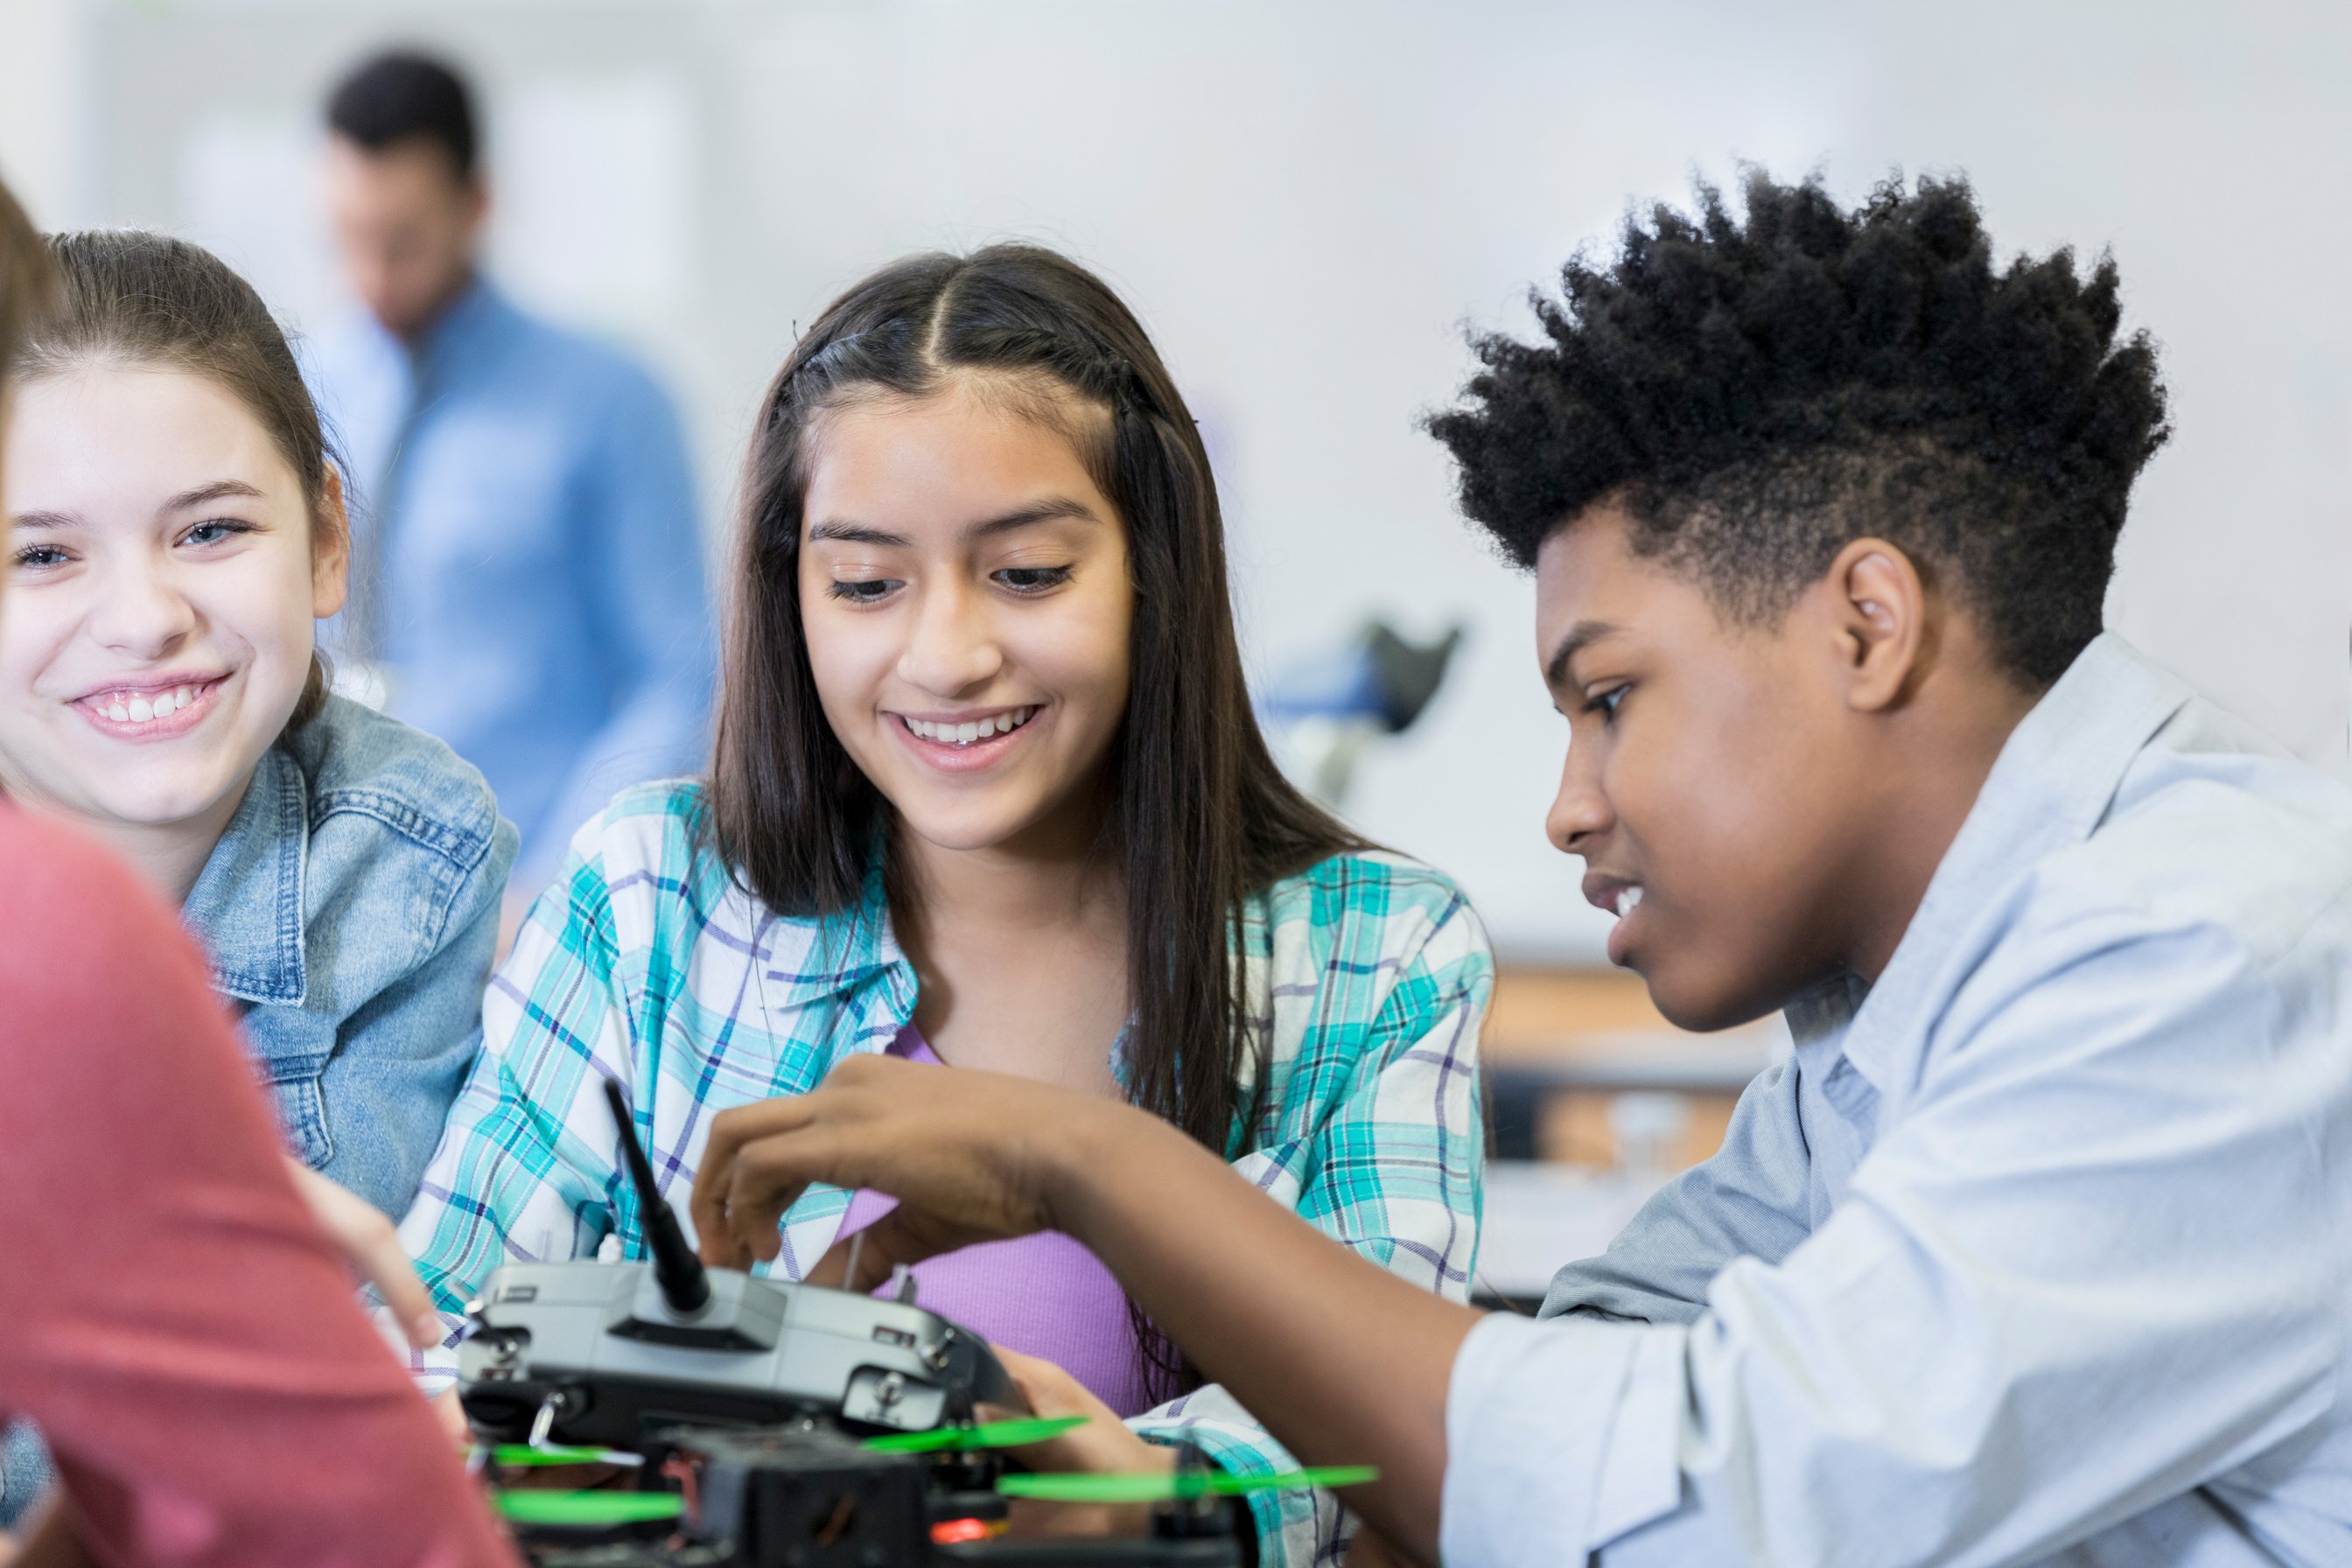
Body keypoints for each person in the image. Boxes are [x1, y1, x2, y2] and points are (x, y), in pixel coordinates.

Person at [682, 174, 2352, 1567]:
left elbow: (1697, 1502)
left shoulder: (2209, 944)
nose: (1565, 808)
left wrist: (1076, 1155)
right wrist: (1164, 1501)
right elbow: (1583, 1374)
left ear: (1866, 621)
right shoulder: (1886, 1031)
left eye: (1608, 699)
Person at [396, 244, 1492, 1567]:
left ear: (1156, 575)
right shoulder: (648, 895)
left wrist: (1156, 1494)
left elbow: (1397, 1450)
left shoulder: (1376, 953)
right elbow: (428, 1357)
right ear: (787, 588)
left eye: (1028, 574)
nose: (946, 657)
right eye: (865, 584)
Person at [0, 176, 518, 1568]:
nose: (147, 618)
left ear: (327, 539)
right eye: (42, 553)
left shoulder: (406, 851)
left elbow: (329, 1390)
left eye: (212, 531)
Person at [308, 48, 712, 898]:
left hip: (534, 885)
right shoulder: (301, 392)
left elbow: (678, 674)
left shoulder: (609, 400)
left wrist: (557, 887)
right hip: (339, 891)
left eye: (404, 241)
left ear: (476, 204)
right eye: (351, 238)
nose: (373, 277)